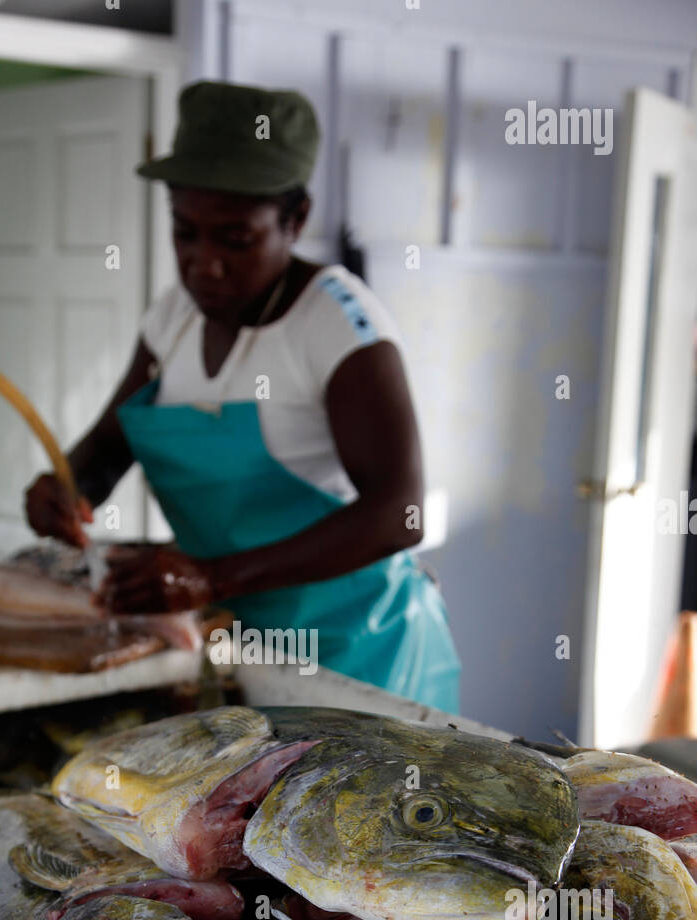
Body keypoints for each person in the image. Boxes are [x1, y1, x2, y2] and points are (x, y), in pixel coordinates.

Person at [26, 80, 461, 711]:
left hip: (361, 650)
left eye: (235, 239)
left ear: (296, 220)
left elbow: (401, 513)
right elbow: (106, 450)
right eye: (185, 234)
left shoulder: (338, 327)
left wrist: (212, 576)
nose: (205, 263)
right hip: (242, 635)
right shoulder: (172, 319)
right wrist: (67, 489)